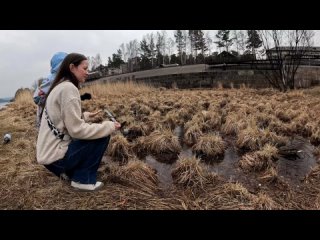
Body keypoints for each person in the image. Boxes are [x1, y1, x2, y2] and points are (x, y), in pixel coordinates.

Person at [36, 53, 121, 191]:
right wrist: (108, 126)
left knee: (92, 135)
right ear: (72, 67)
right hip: (56, 159)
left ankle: (69, 173)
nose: (87, 73)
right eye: (85, 68)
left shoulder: (60, 86)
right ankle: (82, 180)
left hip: (48, 158)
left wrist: (85, 116)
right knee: (102, 136)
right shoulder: (69, 88)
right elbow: (76, 131)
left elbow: (61, 119)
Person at [33, 52, 68, 130]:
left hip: (50, 116)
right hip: (50, 116)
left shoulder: (49, 79)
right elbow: (37, 98)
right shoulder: (54, 79)